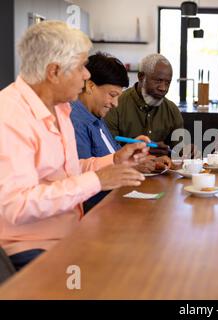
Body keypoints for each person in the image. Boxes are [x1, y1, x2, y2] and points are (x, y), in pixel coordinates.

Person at [0, 21, 149, 270]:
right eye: (81, 66)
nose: (87, 75)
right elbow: (18, 205)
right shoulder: (10, 116)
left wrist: (113, 161)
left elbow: (66, 171)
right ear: (54, 72)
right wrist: (98, 181)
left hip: (70, 233)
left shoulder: (61, 108)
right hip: (31, 249)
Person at [70, 52, 171, 212]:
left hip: (114, 198)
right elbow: (82, 175)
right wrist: (131, 167)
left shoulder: (96, 115)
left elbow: (112, 155)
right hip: (99, 210)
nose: (116, 104)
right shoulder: (75, 121)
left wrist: (141, 159)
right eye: (112, 95)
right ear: (90, 86)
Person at [104, 53, 184, 155]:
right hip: (125, 169)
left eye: (168, 82)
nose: (163, 88)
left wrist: (185, 152)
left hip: (163, 170)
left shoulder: (172, 110)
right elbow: (108, 152)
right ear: (141, 77)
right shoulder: (115, 106)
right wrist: (143, 153)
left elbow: (178, 152)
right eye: (158, 81)